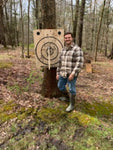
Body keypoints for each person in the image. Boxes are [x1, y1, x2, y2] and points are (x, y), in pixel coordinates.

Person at [56, 32, 84, 112]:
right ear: (64, 39)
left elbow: (80, 63)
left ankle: (72, 104)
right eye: (66, 38)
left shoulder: (77, 49)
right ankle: (67, 97)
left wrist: (73, 74)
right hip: (63, 73)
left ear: (72, 38)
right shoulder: (63, 49)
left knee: (71, 88)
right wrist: (58, 73)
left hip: (72, 74)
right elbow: (59, 62)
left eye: (69, 37)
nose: (67, 39)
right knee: (60, 86)